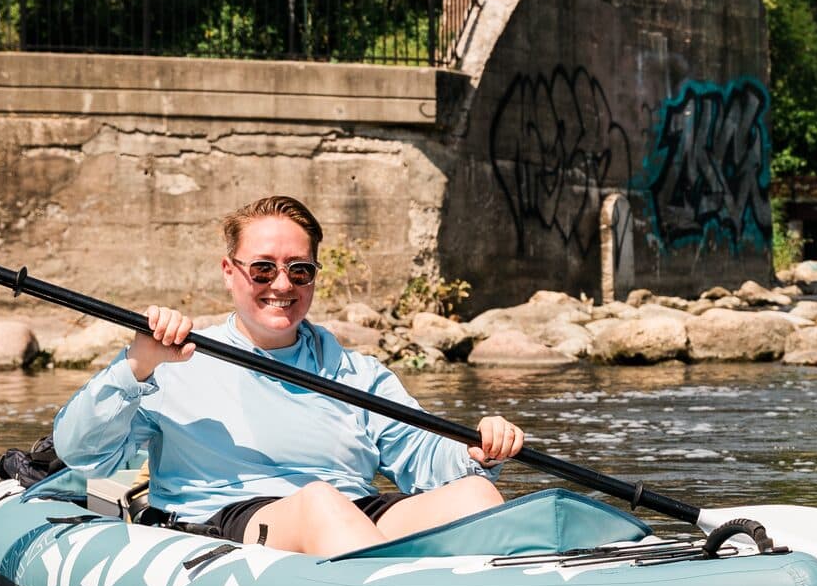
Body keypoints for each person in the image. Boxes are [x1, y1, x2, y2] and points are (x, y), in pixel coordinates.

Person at [51, 193, 525, 555]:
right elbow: (81, 453)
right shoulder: (171, 364)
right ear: (229, 272)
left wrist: (471, 450)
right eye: (263, 269)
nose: (282, 284)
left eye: (299, 271)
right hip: (226, 524)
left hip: (352, 515)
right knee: (319, 504)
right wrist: (137, 364)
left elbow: (421, 455)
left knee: (475, 496)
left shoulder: (357, 372)